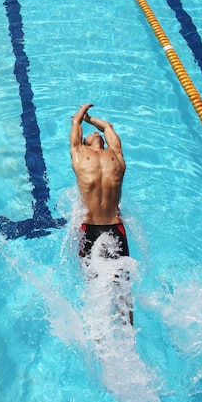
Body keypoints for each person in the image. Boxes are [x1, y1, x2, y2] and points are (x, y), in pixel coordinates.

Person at [69, 104, 132, 324]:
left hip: (115, 226)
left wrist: (89, 118)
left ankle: (127, 334)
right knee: (93, 286)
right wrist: (80, 116)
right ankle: (98, 336)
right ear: (84, 142)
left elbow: (108, 127)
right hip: (90, 227)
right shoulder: (79, 154)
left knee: (123, 287)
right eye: (89, 134)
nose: (94, 133)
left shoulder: (115, 155)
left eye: (96, 133)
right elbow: (74, 126)